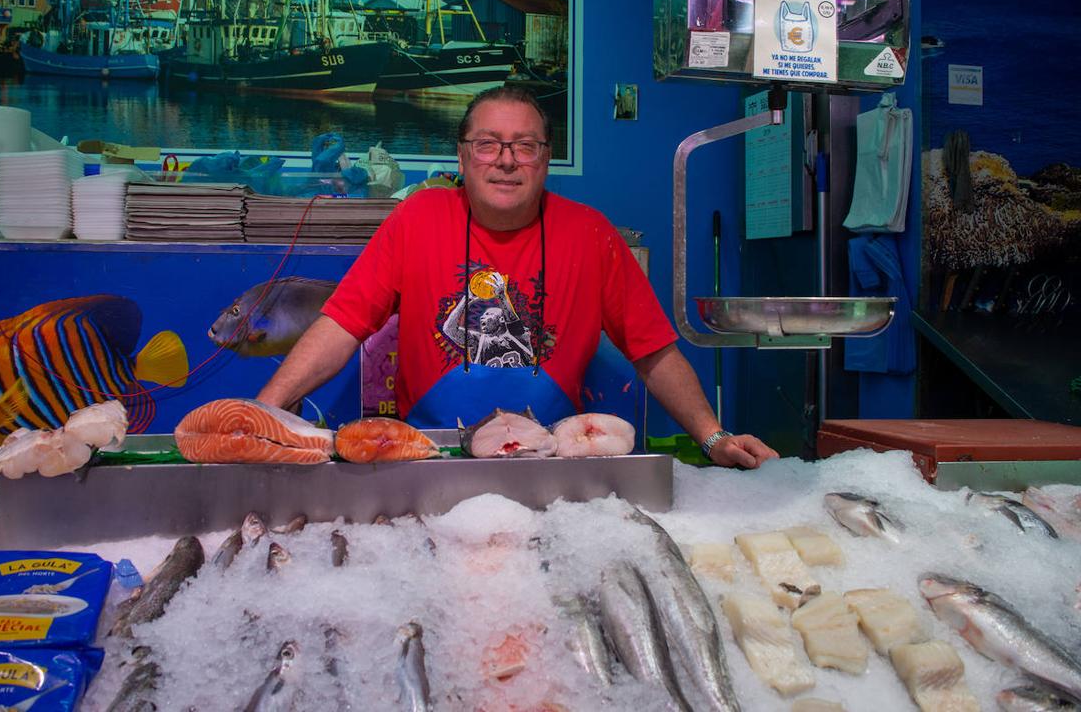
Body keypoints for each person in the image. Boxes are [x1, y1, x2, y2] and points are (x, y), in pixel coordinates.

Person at [257, 86, 778, 468]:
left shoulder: (591, 233)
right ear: (463, 155)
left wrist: (713, 438)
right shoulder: (416, 219)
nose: (505, 161)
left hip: (554, 460)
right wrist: (264, 411)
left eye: (524, 146)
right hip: (425, 461)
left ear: (544, 159)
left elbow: (654, 351)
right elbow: (340, 325)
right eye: (488, 144)